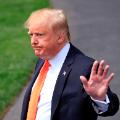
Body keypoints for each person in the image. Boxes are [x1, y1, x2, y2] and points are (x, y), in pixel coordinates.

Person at [21, 8, 119, 120]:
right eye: (31, 35)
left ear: (60, 37)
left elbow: (112, 108)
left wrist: (100, 98)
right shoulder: (43, 60)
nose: (33, 41)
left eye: (39, 35)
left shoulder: (85, 67)